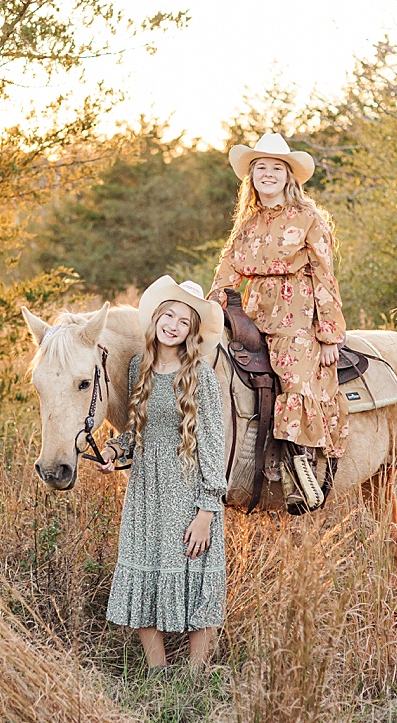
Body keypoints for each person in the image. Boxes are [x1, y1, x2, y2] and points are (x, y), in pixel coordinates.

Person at [207, 132, 348, 511]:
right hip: (251, 316)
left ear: (288, 176)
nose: (267, 174)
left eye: (276, 168)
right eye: (260, 168)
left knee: (293, 379)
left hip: (294, 319)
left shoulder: (308, 219)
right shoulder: (247, 224)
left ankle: (298, 476)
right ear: (251, 176)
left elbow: (324, 276)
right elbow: (227, 270)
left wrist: (330, 333)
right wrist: (211, 309)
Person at [94, 276, 227, 675]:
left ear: (191, 332)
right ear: (155, 318)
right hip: (145, 494)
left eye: (184, 321)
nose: (173, 324)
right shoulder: (139, 367)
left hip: (187, 493)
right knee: (144, 572)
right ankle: (158, 673)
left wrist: (206, 512)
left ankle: (195, 675)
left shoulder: (200, 376)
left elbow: (213, 446)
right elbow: (135, 433)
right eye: (168, 314)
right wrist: (114, 452)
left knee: (196, 574)